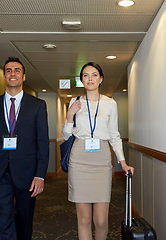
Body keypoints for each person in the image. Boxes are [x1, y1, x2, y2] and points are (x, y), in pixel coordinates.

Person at [62, 62, 134, 240]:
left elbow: (114, 135)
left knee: (101, 220)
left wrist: (122, 162)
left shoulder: (110, 103)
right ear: (82, 80)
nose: (90, 79)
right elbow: (65, 135)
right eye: (86, 75)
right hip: (79, 158)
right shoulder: (75, 102)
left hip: (101, 158)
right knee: (84, 218)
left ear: (101, 79)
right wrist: (70, 114)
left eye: (94, 75)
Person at [0, 57, 49, 240]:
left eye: (17, 70)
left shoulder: (37, 106)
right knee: (3, 220)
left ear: (24, 76)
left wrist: (40, 175)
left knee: (24, 220)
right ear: (4, 75)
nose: (13, 73)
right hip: (0, 174)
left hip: (28, 174)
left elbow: (42, 142)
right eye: (9, 70)